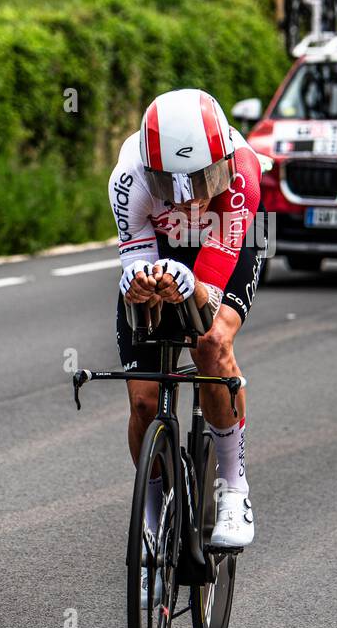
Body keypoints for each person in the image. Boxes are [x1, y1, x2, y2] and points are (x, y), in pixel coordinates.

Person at [109, 88, 265, 556]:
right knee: (143, 400)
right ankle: (152, 513)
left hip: (228, 241)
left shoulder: (244, 175)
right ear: (150, 172)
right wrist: (141, 283)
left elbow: (208, 297)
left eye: (202, 180)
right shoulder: (128, 180)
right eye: (171, 185)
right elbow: (137, 264)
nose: (189, 199)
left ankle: (234, 489)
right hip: (164, 245)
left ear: (222, 162)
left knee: (210, 343)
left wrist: (189, 283)